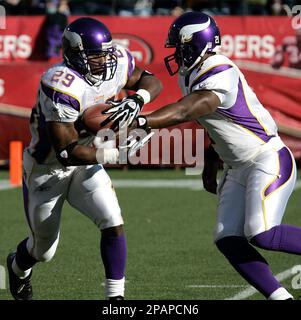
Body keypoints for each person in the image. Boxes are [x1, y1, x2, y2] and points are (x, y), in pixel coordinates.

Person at [106, 12, 301, 300]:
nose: (176, 54)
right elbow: (213, 122)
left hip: (266, 157)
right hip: (237, 167)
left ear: (196, 45)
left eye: (180, 47)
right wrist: (211, 163)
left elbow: (191, 109)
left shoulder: (219, 69)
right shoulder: (191, 74)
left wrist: (143, 121)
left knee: (262, 233)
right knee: (227, 238)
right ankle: (280, 298)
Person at [6, 17, 162, 300]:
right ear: (76, 55)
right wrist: (118, 152)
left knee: (112, 220)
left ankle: (115, 299)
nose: (106, 60)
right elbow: (66, 152)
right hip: (48, 168)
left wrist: (137, 99)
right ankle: (17, 268)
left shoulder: (116, 61)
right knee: (43, 250)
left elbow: (150, 80)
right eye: (96, 56)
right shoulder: (61, 84)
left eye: (106, 53)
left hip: (88, 162)